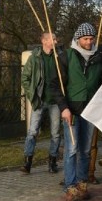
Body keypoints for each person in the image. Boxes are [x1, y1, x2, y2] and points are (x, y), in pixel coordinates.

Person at [62, 22, 102, 201]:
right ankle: (70, 186)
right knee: (72, 149)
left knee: (86, 150)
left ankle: (82, 183)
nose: (89, 42)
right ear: (78, 39)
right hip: (71, 110)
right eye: (85, 39)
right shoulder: (66, 56)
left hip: (91, 110)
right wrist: (63, 107)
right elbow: (56, 85)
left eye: (91, 38)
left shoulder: (99, 59)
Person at [20, 32, 69, 174]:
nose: (55, 40)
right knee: (32, 132)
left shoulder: (59, 56)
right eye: (52, 38)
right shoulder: (34, 58)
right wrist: (32, 94)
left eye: (55, 38)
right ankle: (27, 162)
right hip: (40, 100)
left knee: (55, 133)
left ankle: (52, 161)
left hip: (55, 101)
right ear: (44, 41)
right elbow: (25, 78)